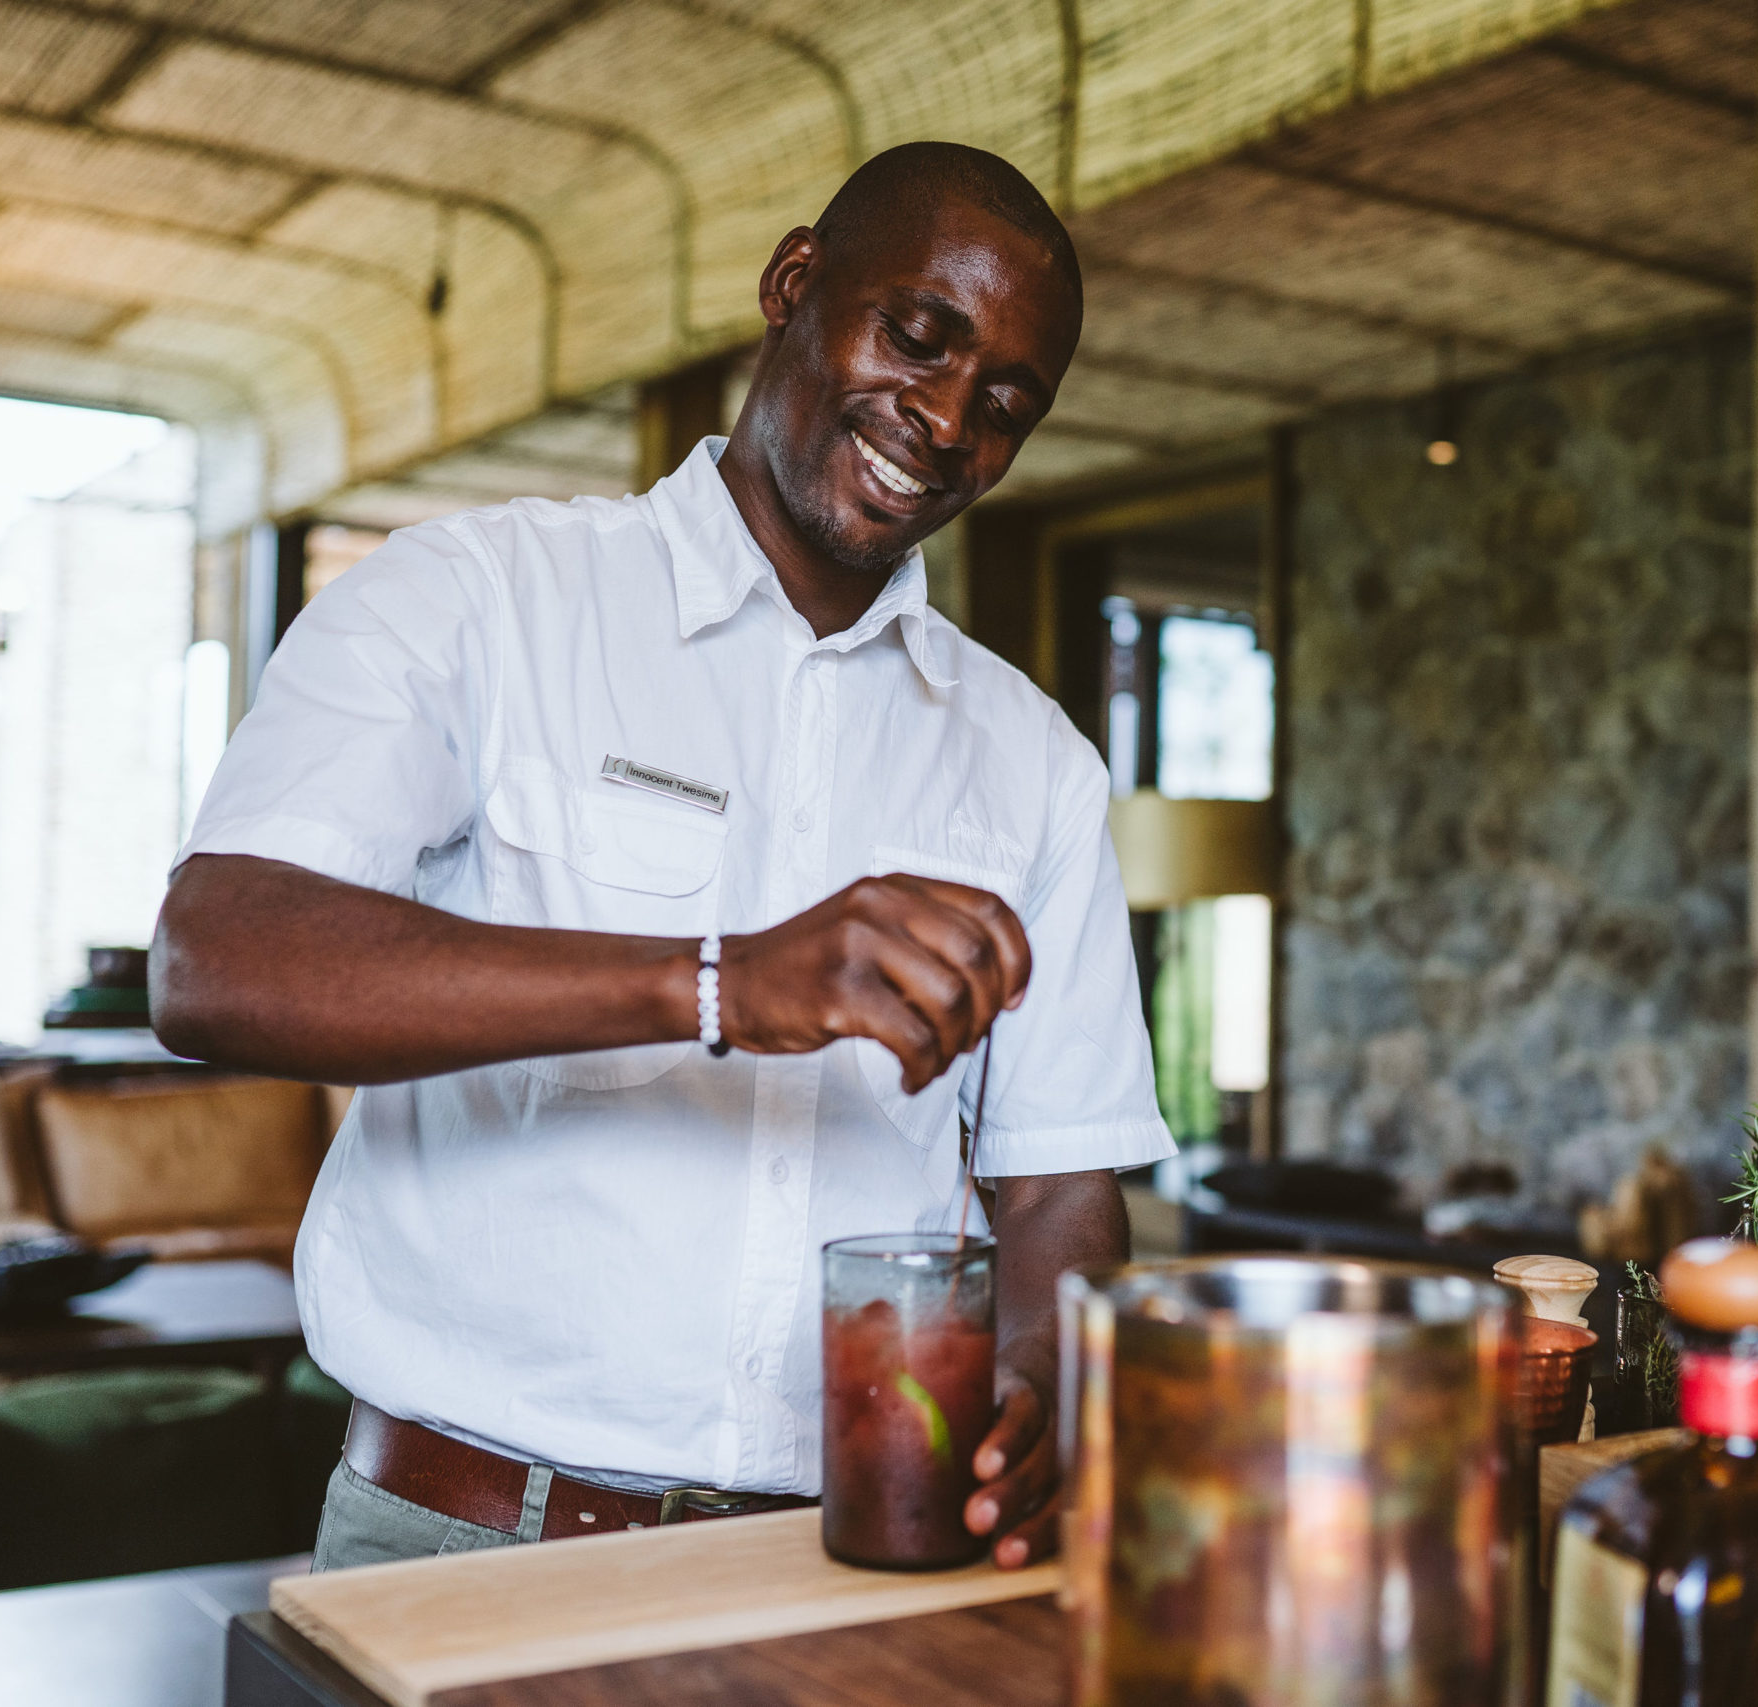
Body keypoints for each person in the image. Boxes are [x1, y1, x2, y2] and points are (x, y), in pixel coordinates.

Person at [151, 142, 1171, 1572]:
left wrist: (1049, 1383)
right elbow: (217, 958)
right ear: (795, 283)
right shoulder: (479, 598)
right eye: (919, 335)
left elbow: (1058, 1183)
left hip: (847, 1561)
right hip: (467, 1544)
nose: (945, 420)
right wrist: (717, 981)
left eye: (1007, 404)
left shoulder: (1035, 759)